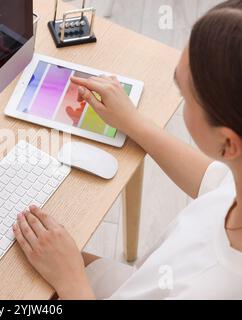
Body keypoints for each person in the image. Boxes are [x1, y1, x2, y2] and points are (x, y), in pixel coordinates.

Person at [13, 0, 242, 299]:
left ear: (228, 144)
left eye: (186, 96)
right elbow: (214, 181)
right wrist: (132, 121)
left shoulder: (216, 287)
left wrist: (71, 281)